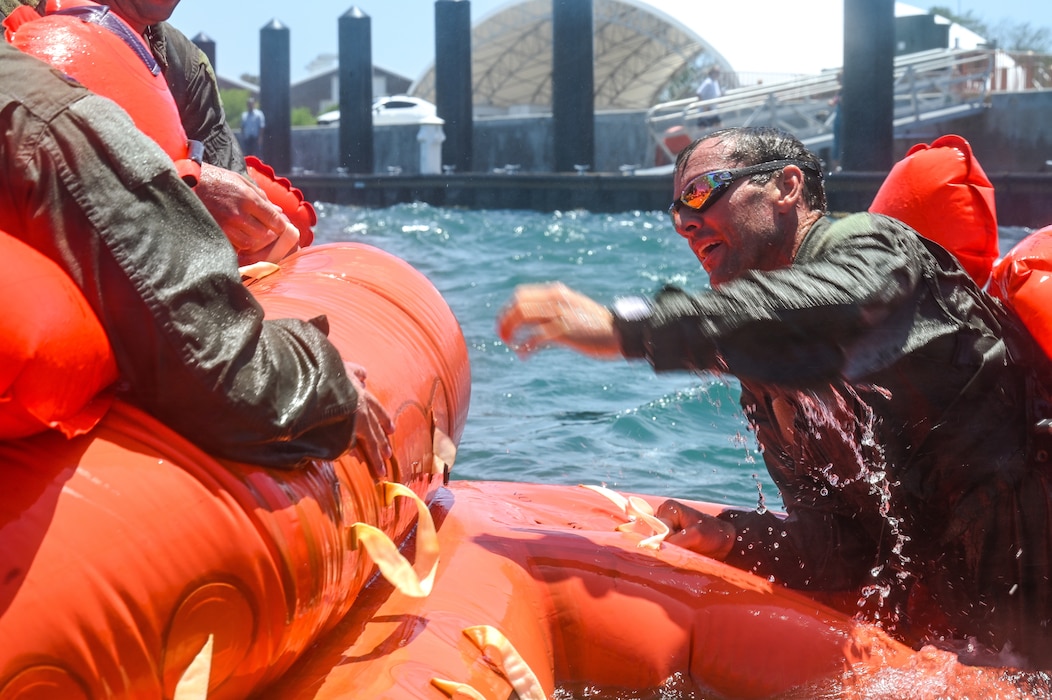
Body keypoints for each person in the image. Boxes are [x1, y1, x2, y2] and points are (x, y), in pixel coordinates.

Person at [497, 125, 1052, 667]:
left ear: (786, 187)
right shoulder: (770, 372)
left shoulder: (876, 249)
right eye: (676, 214)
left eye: (701, 192)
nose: (687, 223)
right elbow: (842, 545)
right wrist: (735, 538)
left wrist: (630, 327)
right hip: (967, 639)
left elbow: (835, 313)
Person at [0, 40, 392, 471]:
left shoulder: (181, 63)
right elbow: (216, 373)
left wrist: (186, 180)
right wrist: (327, 389)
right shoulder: (46, 117)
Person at [2, 0, 303, 266]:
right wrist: (182, 186)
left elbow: (232, 190)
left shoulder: (187, 65)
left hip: (148, 277)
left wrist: (255, 235)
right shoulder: (12, 22)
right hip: (30, 260)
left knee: (286, 224)